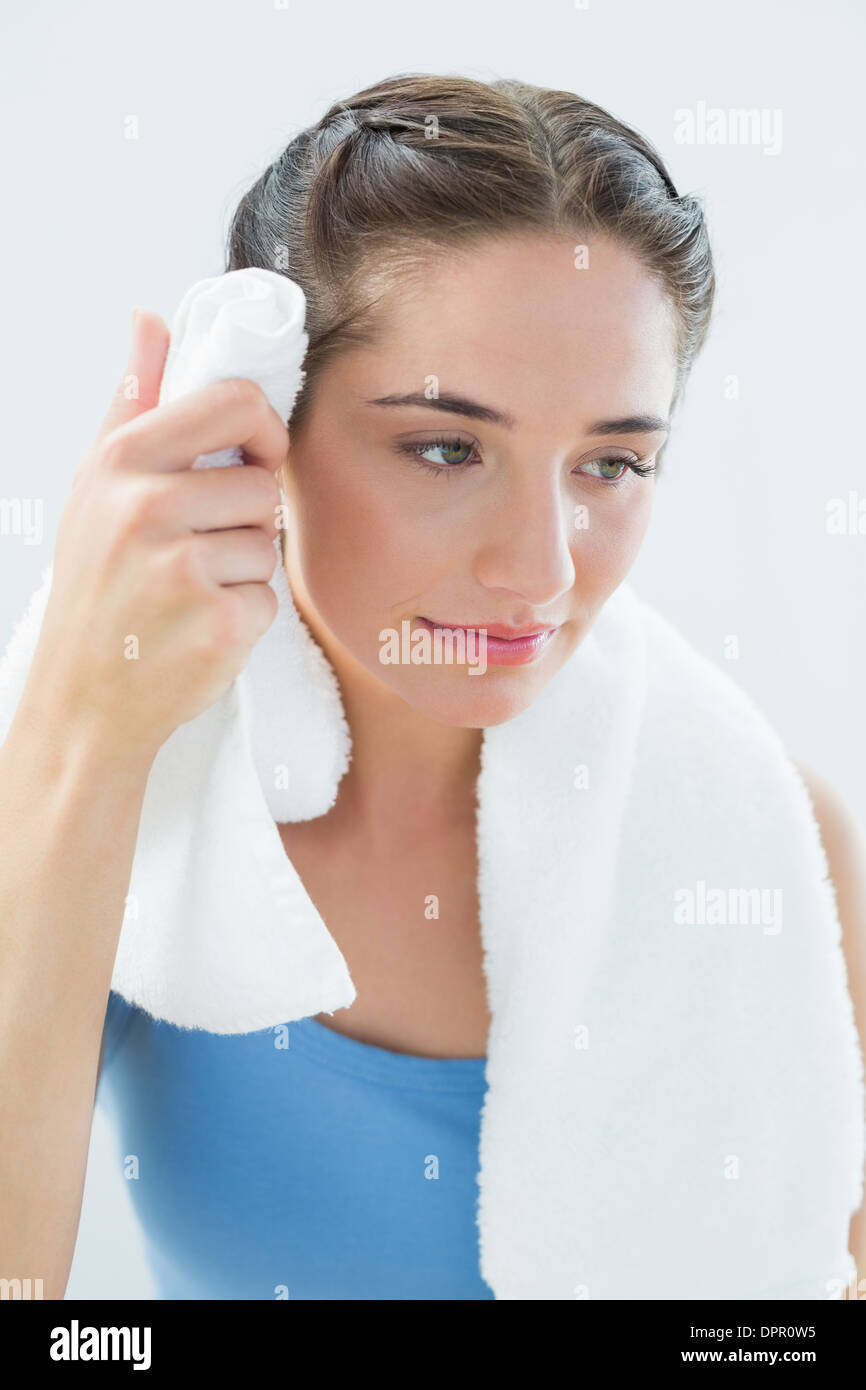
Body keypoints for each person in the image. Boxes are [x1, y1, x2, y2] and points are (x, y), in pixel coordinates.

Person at [1, 73, 864, 1300]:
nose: (541, 569)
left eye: (612, 462)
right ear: (256, 425)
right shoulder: (154, 802)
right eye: (448, 447)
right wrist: (85, 727)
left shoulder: (776, 845)